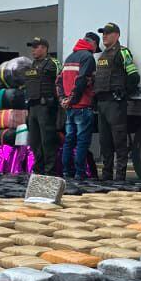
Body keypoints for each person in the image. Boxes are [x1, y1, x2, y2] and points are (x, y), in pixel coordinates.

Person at [92, 22, 139, 180]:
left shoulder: (123, 52)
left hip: (115, 104)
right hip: (102, 104)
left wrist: (124, 93)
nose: (104, 36)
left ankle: (120, 177)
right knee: (105, 142)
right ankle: (106, 176)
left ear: (117, 35)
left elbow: (133, 76)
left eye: (107, 33)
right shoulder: (103, 55)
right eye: (103, 33)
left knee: (119, 141)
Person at [58, 32, 98, 178]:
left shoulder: (69, 57)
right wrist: (73, 100)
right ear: (92, 43)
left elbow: (59, 81)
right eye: (95, 47)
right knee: (82, 142)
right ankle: (80, 173)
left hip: (70, 108)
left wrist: (64, 99)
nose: (95, 51)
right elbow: (81, 81)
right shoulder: (88, 57)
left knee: (69, 141)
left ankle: (66, 172)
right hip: (81, 106)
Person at [20, 36, 60, 176]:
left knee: (47, 141)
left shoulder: (52, 63)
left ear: (44, 48)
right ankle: (38, 170)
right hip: (33, 108)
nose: (33, 50)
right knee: (34, 142)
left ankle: (50, 171)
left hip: (46, 107)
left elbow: (60, 81)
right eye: (32, 47)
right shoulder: (32, 66)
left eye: (36, 47)